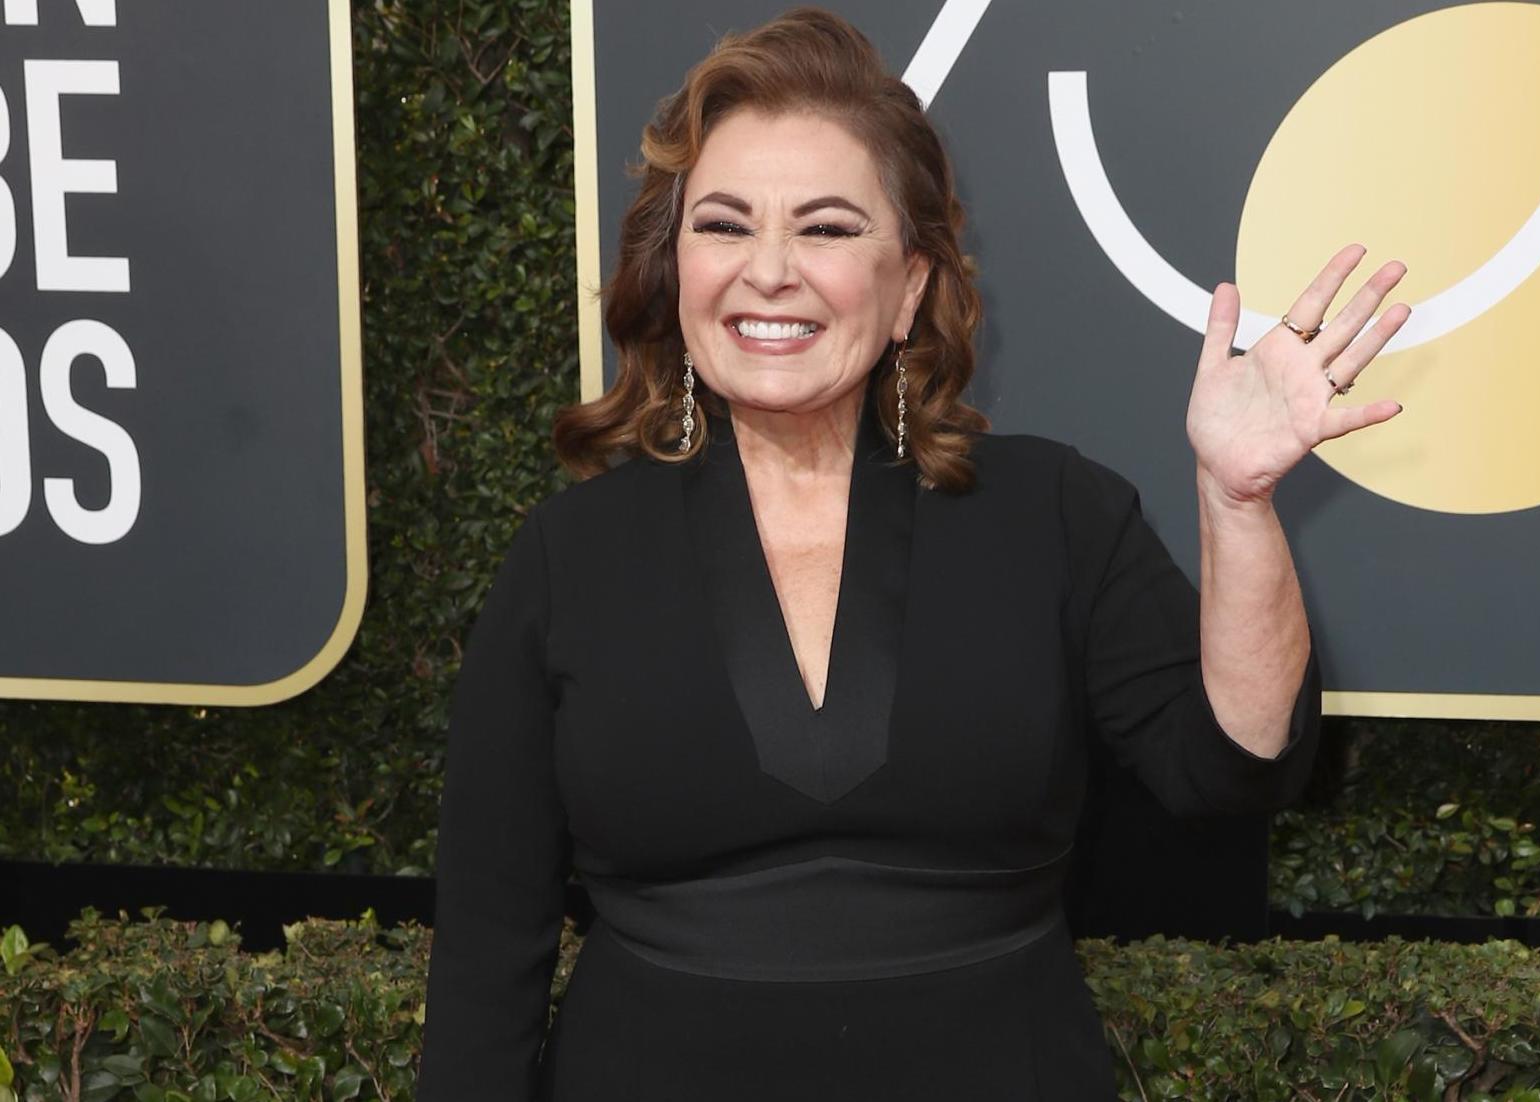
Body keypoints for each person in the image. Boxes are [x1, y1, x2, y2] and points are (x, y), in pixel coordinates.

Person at [414, 8, 1411, 1100]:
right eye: (724, 226)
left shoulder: (1052, 512)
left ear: (910, 289)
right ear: (674, 268)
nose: (770, 272)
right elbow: (488, 940)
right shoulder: (573, 554)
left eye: (830, 229)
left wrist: (1238, 498)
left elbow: (1237, 766)